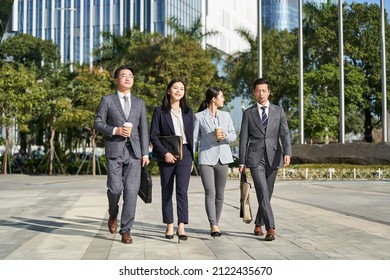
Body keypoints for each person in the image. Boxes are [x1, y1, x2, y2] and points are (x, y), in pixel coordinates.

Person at [94, 64, 150, 244]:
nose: (128, 78)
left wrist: (145, 153)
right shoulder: (107, 100)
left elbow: (143, 130)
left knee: (132, 192)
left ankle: (126, 230)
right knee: (115, 188)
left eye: (131, 76)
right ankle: (113, 212)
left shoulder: (140, 103)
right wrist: (115, 130)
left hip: (134, 153)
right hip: (114, 151)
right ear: (116, 80)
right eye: (124, 75)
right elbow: (97, 123)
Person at [238, 77, 292, 241]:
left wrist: (287, 152)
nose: (261, 94)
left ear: (268, 92)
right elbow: (243, 139)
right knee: (261, 190)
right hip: (255, 158)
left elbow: (285, 133)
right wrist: (242, 161)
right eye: (257, 91)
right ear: (254, 93)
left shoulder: (278, 111)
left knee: (267, 193)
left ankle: (258, 223)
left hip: (274, 156)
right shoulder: (248, 113)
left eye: (264, 90)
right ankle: (271, 228)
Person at [150, 79, 194, 241]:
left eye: (182, 88)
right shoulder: (159, 111)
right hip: (166, 156)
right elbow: (153, 136)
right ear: (168, 90)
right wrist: (164, 153)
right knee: (167, 191)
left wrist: (191, 160)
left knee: (182, 192)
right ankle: (169, 224)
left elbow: (191, 137)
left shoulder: (188, 112)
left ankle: (181, 225)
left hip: (185, 155)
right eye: (175, 88)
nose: (179, 91)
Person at [193, 87, 236, 237]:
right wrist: (191, 159)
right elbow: (194, 140)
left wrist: (225, 135)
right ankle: (213, 225)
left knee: (220, 194)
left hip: (223, 158)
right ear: (213, 99)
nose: (223, 99)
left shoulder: (226, 115)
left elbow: (233, 136)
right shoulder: (198, 117)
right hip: (206, 158)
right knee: (210, 192)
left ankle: (215, 223)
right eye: (221, 96)